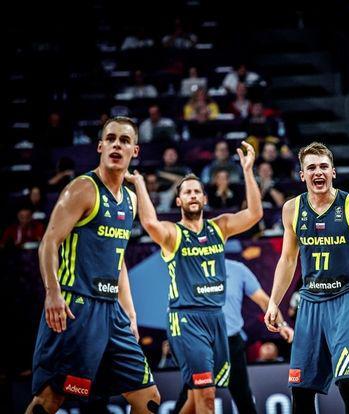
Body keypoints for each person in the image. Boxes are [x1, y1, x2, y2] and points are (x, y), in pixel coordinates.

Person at [26, 116, 160, 414]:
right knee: (49, 400)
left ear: (135, 151)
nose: (116, 145)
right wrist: (52, 292)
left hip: (112, 312)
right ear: (100, 147)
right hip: (76, 305)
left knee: (148, 398)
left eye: (124, 140)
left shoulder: (130, 199)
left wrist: (130, 313)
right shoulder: (82, 188)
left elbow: (118, 260)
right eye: (110, 139)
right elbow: (49, 243)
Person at [126, 141, 262, 414]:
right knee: (206, 394)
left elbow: (255, 214)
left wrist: (248, 171)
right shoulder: (173, 233)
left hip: (216, 318)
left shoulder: (219, 227)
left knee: (193, 396)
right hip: (186, 319)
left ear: (204, 198)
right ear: (178, 201)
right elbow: (150, 223)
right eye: (187, 192)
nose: (192, 195)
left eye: (197, 191)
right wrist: (140, 184)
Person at [264, 142, 349, 414]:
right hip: (310, 301)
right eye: (311, 167)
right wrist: (273, 302)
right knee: (301, 390)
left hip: (348, 297)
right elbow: (288, 260)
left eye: (324, 167)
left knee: (348, 382)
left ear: (333, 172)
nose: (318, 172)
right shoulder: (292, 209)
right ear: (302, 175)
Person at [172, 258, 294, 414]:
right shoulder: (190, 268)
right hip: (202, 342)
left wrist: (282, 325)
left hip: (231, 343)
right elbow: (177, 306)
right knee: (190, 394)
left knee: (243, 396)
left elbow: (264, 301)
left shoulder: (238, 269)